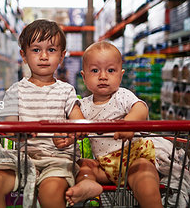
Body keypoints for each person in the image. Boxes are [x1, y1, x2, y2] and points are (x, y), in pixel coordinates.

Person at [0, 19, 85, 208]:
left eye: (51, 50)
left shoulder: (66, 90)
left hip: (57, 160)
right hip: (22, 158)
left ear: (62, 57)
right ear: (24, 56)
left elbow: (79, 123)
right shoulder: (15, 91)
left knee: (50, 194)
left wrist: (69, 136)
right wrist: (19, 133)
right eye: (36, 50)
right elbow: (10, 126)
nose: (43, 56)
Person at [65, 41, 163, 208]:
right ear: (84, 76)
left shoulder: (122, 95)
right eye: (95, 71)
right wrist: (70, 137)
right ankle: (88, 183)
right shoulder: (83, 106)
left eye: (111, 70)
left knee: (145, 175)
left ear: (121, 75)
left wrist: (129, 124)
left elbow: (141, 108)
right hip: (104, 165)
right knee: (83, 165)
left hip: (133, 158)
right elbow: (77, 127)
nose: (103, 76)